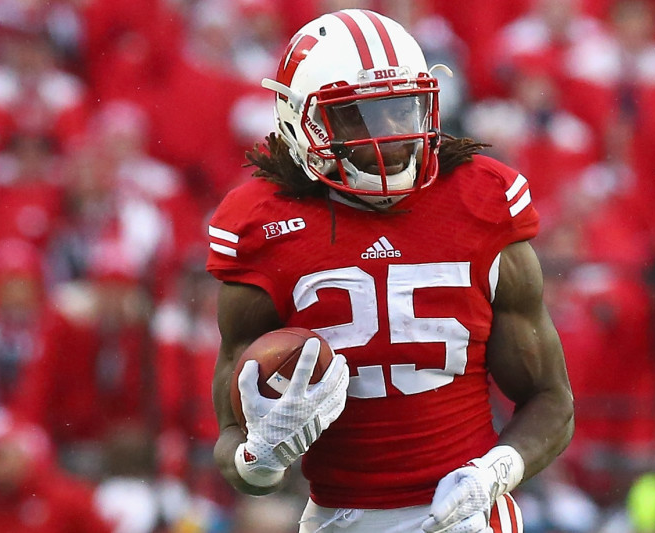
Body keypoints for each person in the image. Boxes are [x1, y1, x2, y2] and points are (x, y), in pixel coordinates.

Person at [206, 9, 574, 533]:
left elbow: (551, 398)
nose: (393, 136)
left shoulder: (479, 202)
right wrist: (258, 462)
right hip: (338, 518)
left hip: (469, 516)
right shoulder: (264, 226)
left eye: (403, 109)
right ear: (300, 120)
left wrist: (494, 472)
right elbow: (230, 435)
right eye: (362, 116)